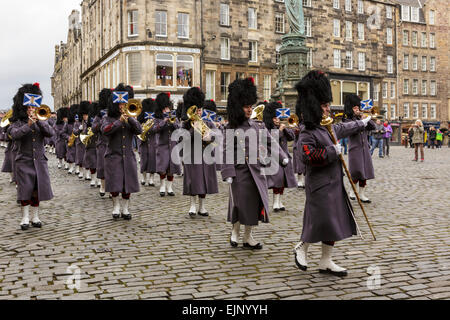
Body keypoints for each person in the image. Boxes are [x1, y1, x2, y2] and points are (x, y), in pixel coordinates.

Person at [293, 71, 372, 277]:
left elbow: (343, 128)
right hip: (319, 183)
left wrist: (361, 123)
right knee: (319, 220)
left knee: (333, 222)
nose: (328, 109)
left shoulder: (326, 126)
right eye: (324, 105)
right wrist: (331, 152)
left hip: (334, 182)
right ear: (314, 106)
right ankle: (302, 247)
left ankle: (326, 260)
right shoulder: (307, 131)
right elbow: (307, 156)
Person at [221, 77, 289, 250]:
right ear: (238, 107)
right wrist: (228, 172)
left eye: (250, 106)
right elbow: (226, 151)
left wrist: (282, 157)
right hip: (239, 172)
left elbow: (271, 143)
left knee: (253, 204)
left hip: (256, 171)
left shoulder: (257, 125)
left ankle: (248, 235)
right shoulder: (231, 128)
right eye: (246, 106)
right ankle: (235, 231)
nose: (249, 109)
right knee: (239, 203)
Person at [9, 83, 55, 230]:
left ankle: (35, 217)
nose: (31, 109)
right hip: (23, 160)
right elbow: (15, 135)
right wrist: (28, 124)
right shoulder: (17, 123)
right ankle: (24, 217)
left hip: (39, 161)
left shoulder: (43, 120)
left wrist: (40, 122)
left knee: (36, 189)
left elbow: (50, 133)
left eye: (33, 107)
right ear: (23, 108)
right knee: (24, 189)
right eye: (28, 107)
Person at [101, 84, 143, 220]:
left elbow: (139, 130)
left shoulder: (132, 117)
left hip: (128, 156)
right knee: (114, 183)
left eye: (124, 103)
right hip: (114, 155)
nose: (122, 106)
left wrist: (130, 117)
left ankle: (125, 209)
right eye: (119, 103)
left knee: (127, 184)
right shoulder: (108, 118)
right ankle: (116, 207)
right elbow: (105, 131)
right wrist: (119, 121)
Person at [181, 87, 218, 217]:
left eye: (200, 109)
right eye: (197, 109)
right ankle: (192, 205)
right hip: (192, 155)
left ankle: (202, 206)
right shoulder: (186, 123)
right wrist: (194, 130)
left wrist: (210, 136)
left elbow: (217, 135)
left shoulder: (207, 121)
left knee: (204, 180)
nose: (199, 111)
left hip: (206, 155)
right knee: (193, 180)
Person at [263, 101, 297, 212]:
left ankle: (280, 201)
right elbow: (271, 140)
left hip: (285, 156)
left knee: (283, 181)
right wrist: (280, 130)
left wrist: (286, 128)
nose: (277, 120)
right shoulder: (268, 128)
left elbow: (292, 137)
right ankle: (275, 202)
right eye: (275, 118)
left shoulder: (281, 126)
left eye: (277, 118)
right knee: (277, 180)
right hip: (275, 157)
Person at [343, 94, 376, 204]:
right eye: (355, 108)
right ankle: (352, 190)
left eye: (358, 107)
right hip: (355, 148)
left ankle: (362, 193)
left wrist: (364, 118)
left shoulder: (361, 117)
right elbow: (351, 128)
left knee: (365, 171)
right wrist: (360, 121)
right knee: (356, 171)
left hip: (365, 148)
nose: (357, 109)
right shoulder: (348, 120)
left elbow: (373, 127)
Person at [150, 92, 181, 197]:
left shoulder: (174, 117)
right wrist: (164, 121)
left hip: (172, 145)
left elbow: (179, 129)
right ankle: (162, 185)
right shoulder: (157, 119)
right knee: (162, 167)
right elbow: (154, 129)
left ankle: (170, 187)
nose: (166, 110)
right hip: (162, 145)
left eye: (167, 108)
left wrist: (173, 122)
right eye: (164, 109)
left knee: (171, 168)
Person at [92, 88, 111, 197]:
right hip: (102, 143)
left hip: (112, 143)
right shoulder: (99, 115)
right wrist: (101, 122)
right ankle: (103, 186)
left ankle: (111, 187)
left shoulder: (113, 113)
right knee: (103, 166)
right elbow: (94, 128)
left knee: (112, 167)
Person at [82, 102, 98, 187]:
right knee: (92, 163)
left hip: (99, 144)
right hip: (91, 144)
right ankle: (93, 179)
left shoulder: (100, 119)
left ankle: (99, 180)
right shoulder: (87, 123)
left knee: (100, 164)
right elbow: (84, 133)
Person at [74, 101, 90, 179]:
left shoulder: (90, 122)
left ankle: (87, 173)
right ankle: (81, 171)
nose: (85, 116)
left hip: (87, 142)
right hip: (80, 142)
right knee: (80, 158)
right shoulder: (78, 123)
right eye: (84, 115)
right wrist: (79, 129)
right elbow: (75, 132)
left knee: (87, 158)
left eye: (86, 115)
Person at [63, 104, 78, 174]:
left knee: (78, 155)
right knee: (70, 155)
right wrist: (68, 137)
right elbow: (63, 133)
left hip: (78, 141)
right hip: (70, 141)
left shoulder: (79, 123)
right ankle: (71, 167)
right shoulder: (67, 123)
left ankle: (78, 168)